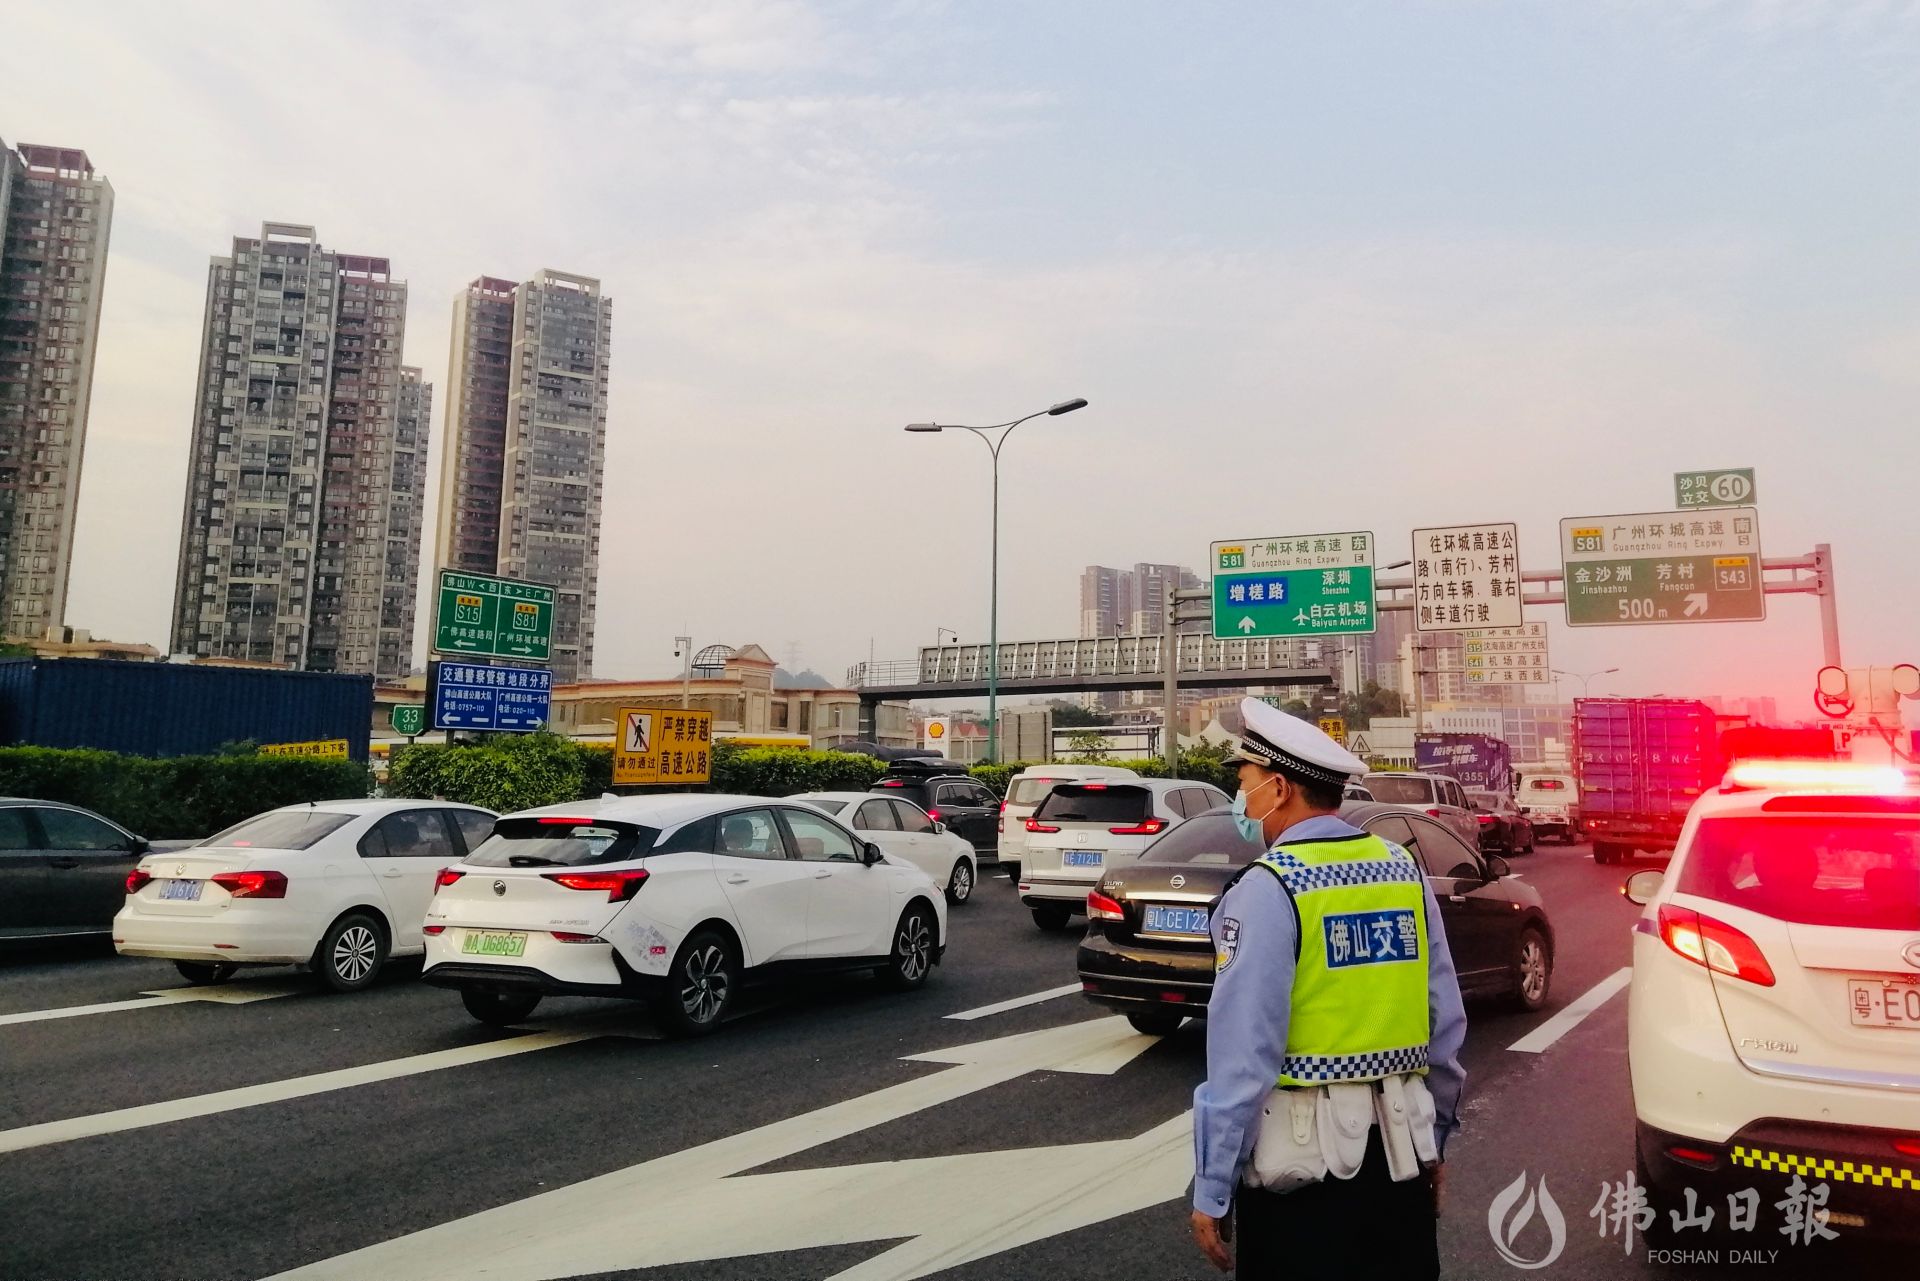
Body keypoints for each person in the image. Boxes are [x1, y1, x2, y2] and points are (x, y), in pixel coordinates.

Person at [1190, 698, 1468, 1277]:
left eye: (1245, 783)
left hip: (1303, 1185)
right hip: (1401, 1162)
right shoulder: (1401, 871)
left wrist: (1214, 1185)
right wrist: (1434, 1142)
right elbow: (1444, 1024)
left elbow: (1244, 1057)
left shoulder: (1270, 889)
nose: (1243, 801)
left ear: (1281, 787)